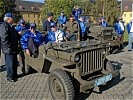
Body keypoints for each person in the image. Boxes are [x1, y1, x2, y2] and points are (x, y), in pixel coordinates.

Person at [0, 13, 19, 82]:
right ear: (8, 18)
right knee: (9, 63)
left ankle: (14, 75)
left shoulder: (11, 26)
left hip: (13, 48)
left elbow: (16, 35)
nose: (13, 19)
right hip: (9, 48)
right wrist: (8, 47)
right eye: (12, 18)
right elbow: (4, 37)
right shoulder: (4, 25)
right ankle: (9, 77)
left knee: (14, 62)